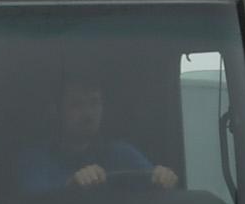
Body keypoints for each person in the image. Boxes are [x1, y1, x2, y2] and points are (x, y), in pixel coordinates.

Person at [20, 76, 179, 195]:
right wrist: (72, 187)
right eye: (76, 104)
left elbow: (152, 181)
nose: (88, 114)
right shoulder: (35, 160)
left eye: (94, 103)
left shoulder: (122, 153)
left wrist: (163, 178)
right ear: (56, 111)